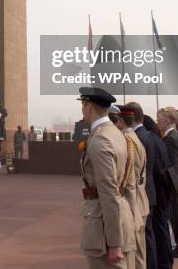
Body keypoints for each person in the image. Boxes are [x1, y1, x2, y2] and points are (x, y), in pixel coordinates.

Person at [76, 87, 135, 268]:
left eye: (83, 105)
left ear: (88, 106)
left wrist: (114, 243)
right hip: (118, 219)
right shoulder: (116, 134)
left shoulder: (100, 140)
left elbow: (108, 192)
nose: (82, 110)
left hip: (104, 228)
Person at [116, 104, 149, 269]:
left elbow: (130, 179)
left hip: (133, 203)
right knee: (139, 254)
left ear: (121, 122)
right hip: (140, 201)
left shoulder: (127, 141)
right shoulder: (136, 139)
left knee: (133, 257)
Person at [129, 103, 157, 269]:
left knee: (144, 238)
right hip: (149, 191)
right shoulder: (148, 135)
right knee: (147, 235)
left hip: (142, 192)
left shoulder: (138, 137)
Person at [157, 108, 178, 259]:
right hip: (177, 181)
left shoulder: (170, 138)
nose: (158, 123)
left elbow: (170, 164)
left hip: (174, 181)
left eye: (160, 120)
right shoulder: (173, 136)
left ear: (167, 121)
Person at [143, 115, 173, 269]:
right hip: (162, 190)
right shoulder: (158, 139)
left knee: (158, 229)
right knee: (162, 228)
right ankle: (166, 260)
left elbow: (157, 170)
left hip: (158, 190)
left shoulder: (151, 141)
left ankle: (163, 262)